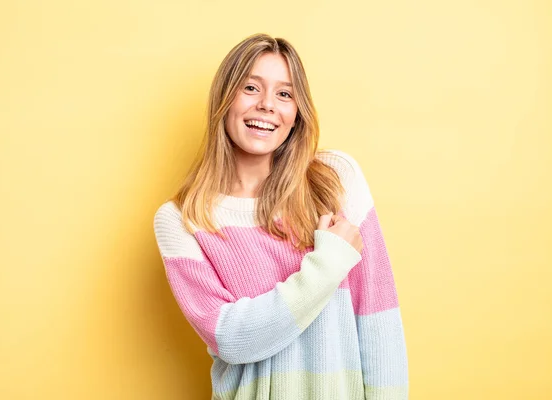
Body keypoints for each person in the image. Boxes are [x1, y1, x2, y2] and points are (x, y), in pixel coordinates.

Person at [153, 33, 409, 400]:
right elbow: (232, 339)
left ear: (296, 113)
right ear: (224, 102)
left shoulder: (336, 180)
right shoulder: (182, 220)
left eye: (285, 94)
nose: (267, 105)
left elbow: (378, 317)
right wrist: (329, 264)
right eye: (251, 88)